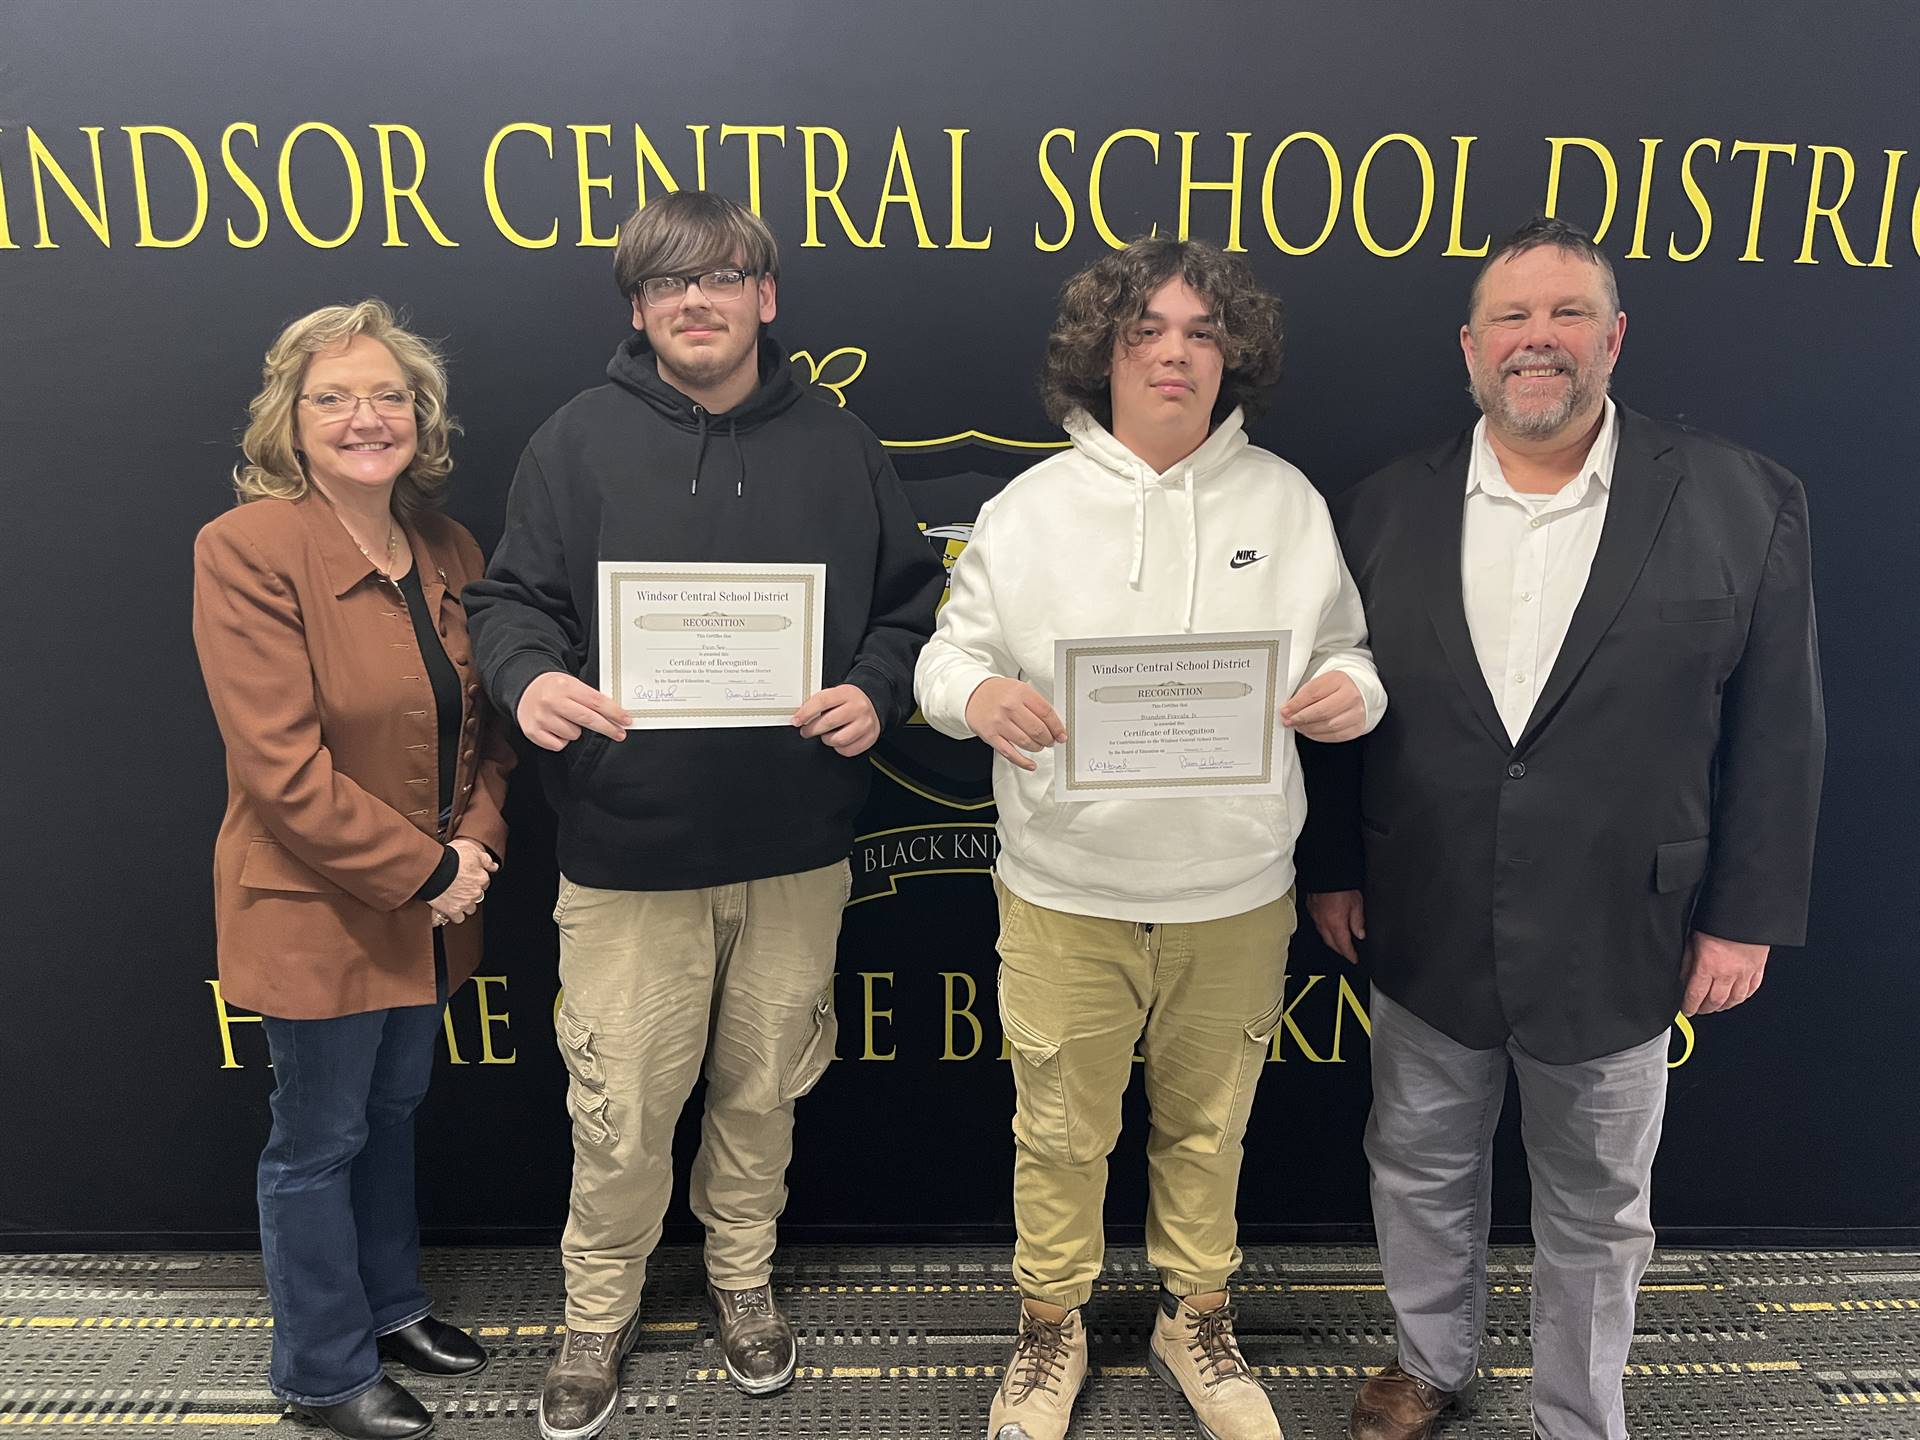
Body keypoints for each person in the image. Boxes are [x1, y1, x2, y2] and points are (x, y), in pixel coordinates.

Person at [1297, 217, 1825, 1440]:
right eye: (1513, 319)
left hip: (1623, 925)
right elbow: (1332, 702)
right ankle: (1429, 1364)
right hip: (1422, 914)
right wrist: (1330, 870)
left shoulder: (1745, 500)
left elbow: (1780, 732)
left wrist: (1743, 916)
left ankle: (1578, 1414)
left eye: (1568, 314)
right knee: (1420, 1163)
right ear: (1471, 349)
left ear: (1615, 337)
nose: (1540, 340)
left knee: (1597, 1197)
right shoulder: (1379, 508)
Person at [462, 190, 944, 1440]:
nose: (697, 301)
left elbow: (908, 605)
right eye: (669, 284)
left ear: (765, 296)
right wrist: (531, 677)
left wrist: (876, 690)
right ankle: (596, 1308)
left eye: (722, 277)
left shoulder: (839, 445)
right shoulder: (575, 443)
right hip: (629, 853)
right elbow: (508, 602)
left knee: (763, 1094)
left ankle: (743, 1282)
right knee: (619, 1106)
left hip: (793, 849)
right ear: (639, 307)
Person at [915, 236, 1386, 1440]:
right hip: (1067, 887)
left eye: (1200, 333)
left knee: (1209, 1124)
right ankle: (1049, 1327)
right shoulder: (1029, 509)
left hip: (1234, 891)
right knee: (1061, 1131)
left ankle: (1196, 1315)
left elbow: (1349, 653)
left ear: (1232, 356)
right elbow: (945, 656)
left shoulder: (1286, 503)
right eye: (1147, 333)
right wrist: (974, 698)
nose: (1174, 354)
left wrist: (1352, 694)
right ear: (1105, 354)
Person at [192, 300, 515, 1440]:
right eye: (333, 397)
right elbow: (281, 768)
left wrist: (475, 846)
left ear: (421, 418)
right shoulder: (245, 549)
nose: (365, 417)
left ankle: (391, 1309)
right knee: (318, 1138)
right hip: (320, 905)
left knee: (392, 1113)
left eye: (389, 396)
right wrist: (431, 869)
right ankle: (323, 1372)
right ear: (292, 419)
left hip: (432, 899)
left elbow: (486, 731)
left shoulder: (452, 548)